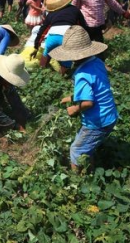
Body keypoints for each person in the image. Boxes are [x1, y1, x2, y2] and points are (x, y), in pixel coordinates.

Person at [49, 25, 118, 173]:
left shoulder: (82, 75)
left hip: (97, 122)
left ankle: (78, 182)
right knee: (86, 146)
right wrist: (72, 97)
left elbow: (88, 102)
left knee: (76, 149)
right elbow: (96, 88)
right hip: (109, 115)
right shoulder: (97, 62)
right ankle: (89, 168)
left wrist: (74, 108)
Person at [32, 0, 88, 75]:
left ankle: (41, 73)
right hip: (67, 36)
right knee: (66, 59)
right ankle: (61, 76)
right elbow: (83, 26)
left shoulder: (52, 13)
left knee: (47, 53)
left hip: (52, 36)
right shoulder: (75, 10)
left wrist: (36, 45)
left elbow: (42, 28)